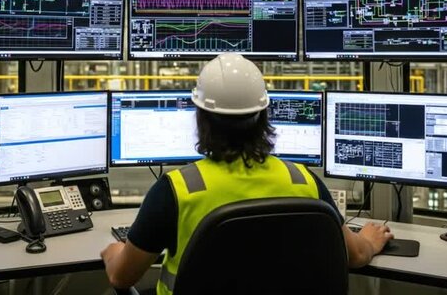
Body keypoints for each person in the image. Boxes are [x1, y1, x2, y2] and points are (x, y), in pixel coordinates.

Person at [101, 53, 393, 294]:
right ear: (264, 116)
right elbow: (355, 256)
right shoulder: (304, 181)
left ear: (201, 118)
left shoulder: (175, 191)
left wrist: (113, 252)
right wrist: (367, 239)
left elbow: (122, 277)